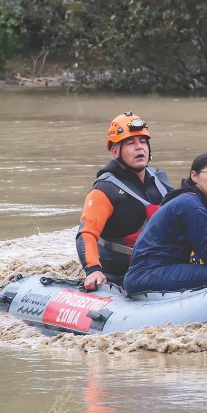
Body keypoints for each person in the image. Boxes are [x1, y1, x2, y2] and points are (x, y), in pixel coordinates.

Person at [122, 153, 207, 294]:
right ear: (194, 176)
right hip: (148, 274)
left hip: (154, 271)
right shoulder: (191, 204)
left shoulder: (186, 199)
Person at [77, 112, 173, 291]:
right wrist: (93, 270)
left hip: (161, 265)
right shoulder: (104, 189)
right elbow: (86, 234)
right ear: (115, 151)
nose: (139, 148)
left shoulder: (159, 178)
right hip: (124, 276)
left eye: (143, 142)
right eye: (130, 143)